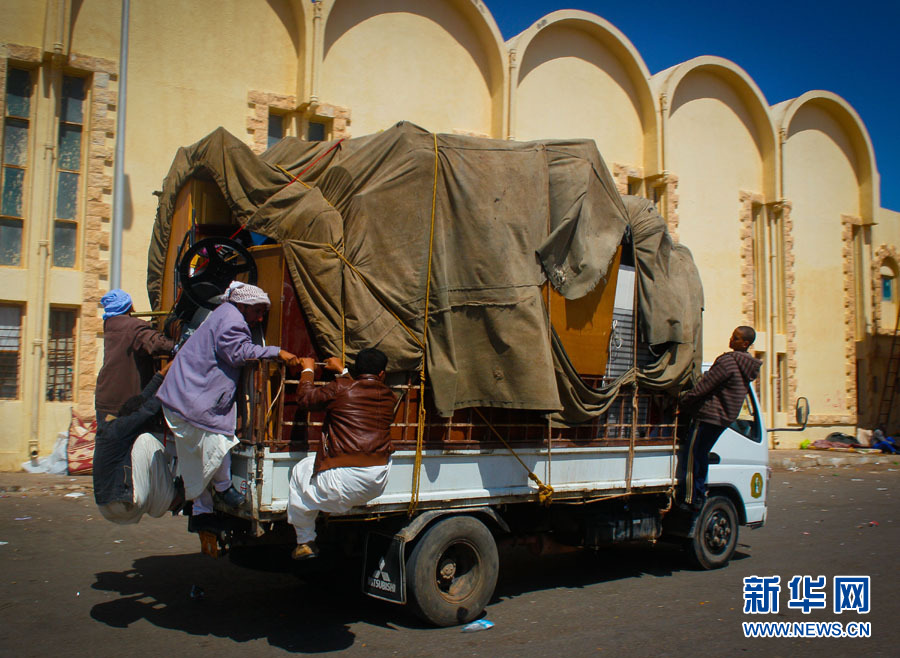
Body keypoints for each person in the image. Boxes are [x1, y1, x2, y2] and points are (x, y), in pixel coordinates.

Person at [156, 281, 298, 524]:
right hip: (194, 399)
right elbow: (238, 353)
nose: (260, 319)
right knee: (218, 442)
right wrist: (276, 352)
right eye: (258, 312)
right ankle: (222, 488)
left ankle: (202, 508)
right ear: (243, 306)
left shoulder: (223, 312)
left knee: (196, 456)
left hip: (183, 396)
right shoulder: (233, 321)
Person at [288, 348, 396, 560]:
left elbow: (306, 399)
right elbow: (355, 392)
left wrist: (308, 371)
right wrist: (342, 372)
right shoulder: (389, 397)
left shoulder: (340, 389)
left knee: (301, 470)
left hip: (343, 482)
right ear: (382, 374)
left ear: (357, 369)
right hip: (377, 481)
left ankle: (305, 541)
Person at [679, 326, 762, 509]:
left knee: (693, 455)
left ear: (745, 343)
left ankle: (691, 498)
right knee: (702, 454)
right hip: (723, 419)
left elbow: (704, 387)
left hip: (707, 415)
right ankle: (698, 494)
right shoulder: (747, 366)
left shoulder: (728, 362)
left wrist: (683, 402)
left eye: (736, 337)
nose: (731, 339)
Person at [93, 360, 184, 524]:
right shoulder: (119, 429)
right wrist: (172, 385)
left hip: (108, 507)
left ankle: (161, 500)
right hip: (121, 503)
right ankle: (172, 500)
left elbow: (143, 399)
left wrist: (165, 371)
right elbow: (148, 409)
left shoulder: (116, 427)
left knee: (142, 448)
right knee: (148, 441)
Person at [95, 289, 174, 430]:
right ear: (129, 306)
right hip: (125, 404)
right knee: (131, 446)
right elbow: (158, 343)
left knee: (110, 446)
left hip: (105, 400)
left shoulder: (110, 324)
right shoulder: (134, 327)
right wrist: (178, 346)